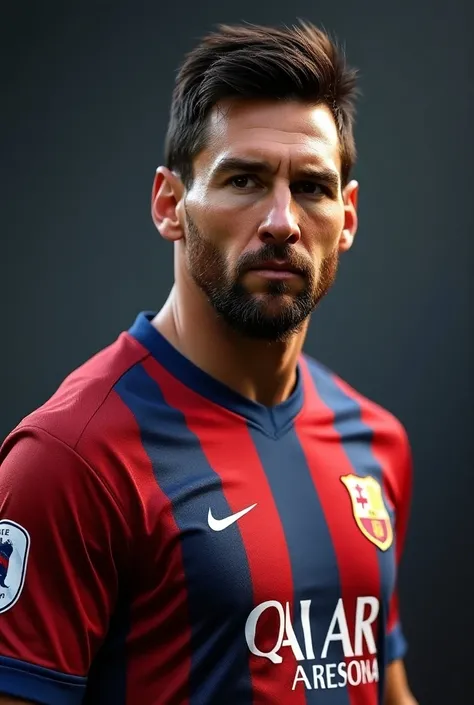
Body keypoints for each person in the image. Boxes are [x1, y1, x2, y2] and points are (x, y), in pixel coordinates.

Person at [0, 20, 418, 705]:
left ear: (346, 216)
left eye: (311, 187)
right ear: (170, 204)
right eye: (245, 180)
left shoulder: (374, 442)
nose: (281, 220)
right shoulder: (69, 461)